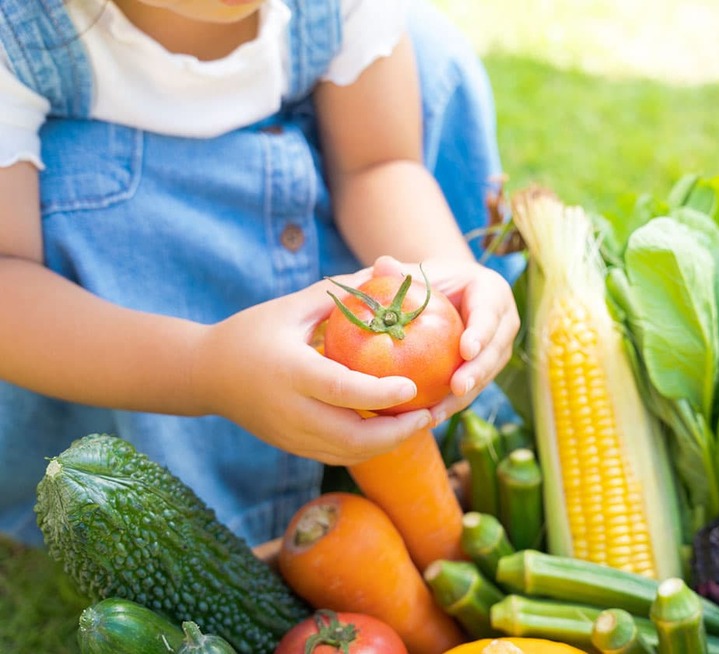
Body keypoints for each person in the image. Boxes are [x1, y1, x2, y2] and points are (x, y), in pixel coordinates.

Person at [0, 0, 521, 547]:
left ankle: (456, 444)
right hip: (118, 348)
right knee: (79, 175)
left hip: (316, 244)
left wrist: (442, 284)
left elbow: (378, 166)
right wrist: (206, 370)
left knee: (431, 55)